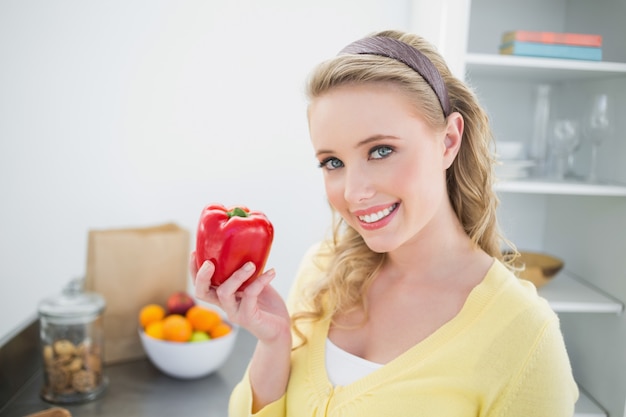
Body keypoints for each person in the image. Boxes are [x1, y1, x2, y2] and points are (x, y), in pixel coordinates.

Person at [191, 29, 579, 416]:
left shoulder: (525, 336)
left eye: (381, 151)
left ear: (448, 141)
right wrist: (274, 343)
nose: (354, 192)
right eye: (333, 162)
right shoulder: (321, 269)